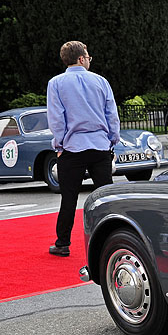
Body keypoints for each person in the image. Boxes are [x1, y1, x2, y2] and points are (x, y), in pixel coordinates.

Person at [46, 41, 119, 257]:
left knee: (68, 198)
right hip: (99, 145)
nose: (89, 60)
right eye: (88, 57)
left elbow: (56, 118)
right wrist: (112, 140)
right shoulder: (101, 81)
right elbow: (111, 114)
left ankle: (62, 243)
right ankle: (113, 237)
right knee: (105, 196)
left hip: (72, 147)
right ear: (81, 59)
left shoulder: (56, 83)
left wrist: (59, 145)